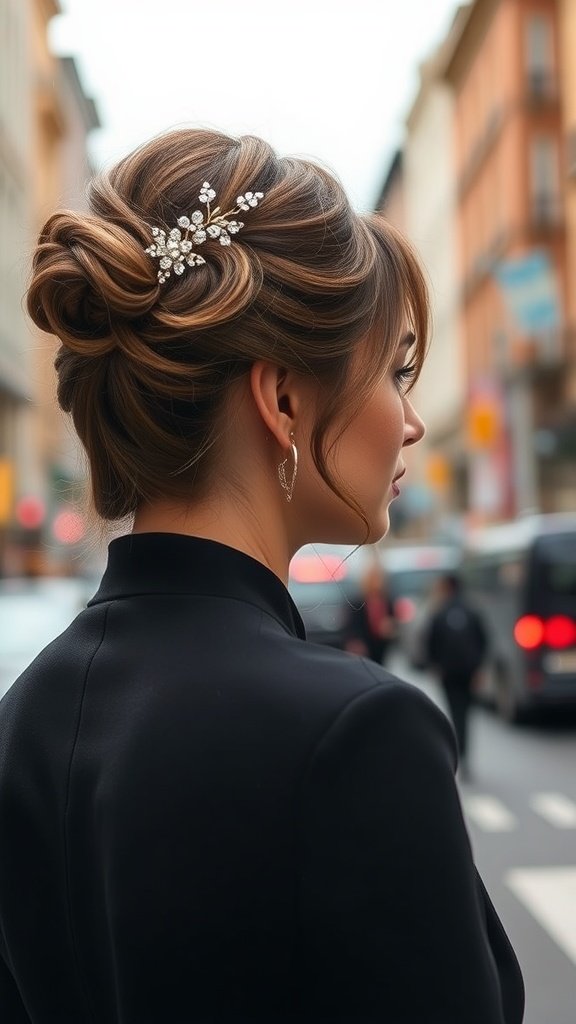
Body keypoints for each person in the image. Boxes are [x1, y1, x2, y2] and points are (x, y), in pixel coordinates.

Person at [0, 128, 523, 1023]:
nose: (412, 422)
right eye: (395, 371)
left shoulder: (25, 718)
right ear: (281, 398)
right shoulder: (358, 734)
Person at [425, 572, 489, 779]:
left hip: (448, 672)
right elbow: (484, 640)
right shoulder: (472, 610)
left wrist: (435, 665)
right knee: (466, 715)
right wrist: (479, 667)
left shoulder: (439, 612)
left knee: (454, 713)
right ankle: (465, 755)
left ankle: (457, 755)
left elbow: (431, 642)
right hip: (469, 671)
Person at [344, 562, 396, 665]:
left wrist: (391, 628)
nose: (378, 582)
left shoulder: (387, 601)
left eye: (380, 578)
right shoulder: (358, 602)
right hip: (364, 647)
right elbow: (352, 626)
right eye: (374, 578)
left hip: (382, 647)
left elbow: (393, 622)